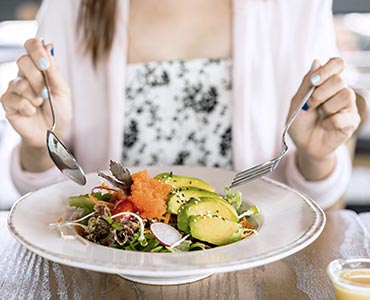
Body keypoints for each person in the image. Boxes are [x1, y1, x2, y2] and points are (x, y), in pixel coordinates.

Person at [0, 0, 363, 210]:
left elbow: (319, 204)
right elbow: (44, 200)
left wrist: (315, 157)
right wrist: (41, 144)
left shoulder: (296, 7)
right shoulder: (71, 7)